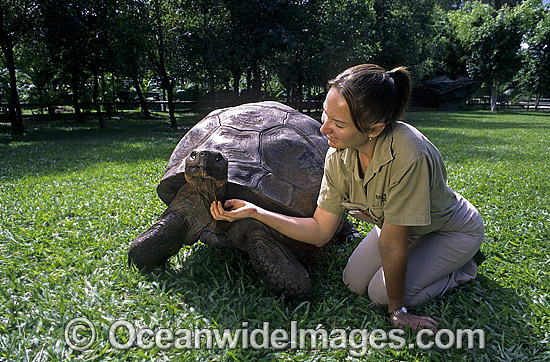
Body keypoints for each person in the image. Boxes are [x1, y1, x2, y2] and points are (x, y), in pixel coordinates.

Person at [210, 64, 484, 330]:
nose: (323, 129)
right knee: (353, 282)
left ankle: (463, 267)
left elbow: (392, 245)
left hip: (449, 230)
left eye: (338, 123)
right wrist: (255, 211)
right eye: (324, 114)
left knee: (380, 295)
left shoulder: (410, 154)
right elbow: (319, 231)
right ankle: (426, 261)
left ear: (374, 129)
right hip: (399, 228)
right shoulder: (337, 155)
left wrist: (397, 310)